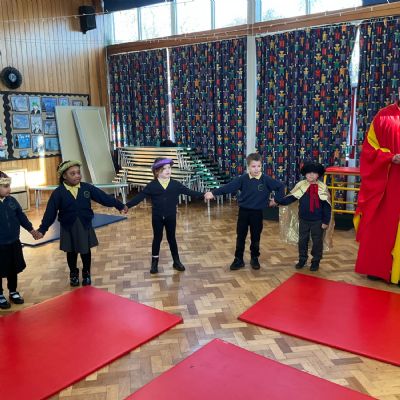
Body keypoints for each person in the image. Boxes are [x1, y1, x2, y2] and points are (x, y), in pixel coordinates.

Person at [36, 160, 127, 287]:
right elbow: (50, 213)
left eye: (78, 172)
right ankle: (73, 273)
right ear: (64, 176)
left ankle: (86, 273)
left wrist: (119, 205)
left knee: (85, 250)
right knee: (71, 252)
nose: (77, 176)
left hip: (84, 224)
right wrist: (42, 229)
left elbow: (103, 198)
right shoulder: (58, 193)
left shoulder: (86, 188)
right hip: (68, 226)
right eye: (72, 173)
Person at [204, 152, 285, 270]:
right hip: (243, 212)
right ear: (248, 167)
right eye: (253, 166)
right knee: (240, 236)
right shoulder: (243, 179)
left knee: (255, 237)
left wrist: (276, 200)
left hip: (257, 213)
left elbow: (280, 187)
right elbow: (229, 187)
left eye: (259, 166)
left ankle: (254, 258)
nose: (256, 169)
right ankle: (238, 259)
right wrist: (213, 193)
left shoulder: (266, 179)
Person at [126, 157, 204, 274]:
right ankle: (154, 263)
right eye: (164, 169)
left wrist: (204, 195)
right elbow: (139, 197)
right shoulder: (152, 186)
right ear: (157, 171)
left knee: (171, 238)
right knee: (157, 238)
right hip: (157, 217)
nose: (168, 170)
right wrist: (127, 206)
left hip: (170, 217)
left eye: (169, 168)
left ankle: (176, 261)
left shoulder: (175, 184)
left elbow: (189, 192)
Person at [354, 99, 400, 283]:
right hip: (387, 183)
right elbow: (369, 149)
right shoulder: (383, 116)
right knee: (380, 223)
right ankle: (377, 268)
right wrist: (389, 157)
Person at [275, 162, 332, 271]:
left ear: (318, 175)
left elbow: (327, 206)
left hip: (318, 221)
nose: (311, 175)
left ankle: (315, 261)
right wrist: (279, 201)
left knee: (317, 242)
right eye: (308, 173)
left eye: (314, 173)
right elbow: (291, 197)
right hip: (304, 219)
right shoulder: (301, 185)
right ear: (305, 174)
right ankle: (302, 259)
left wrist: (326, 221)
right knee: (302, 240)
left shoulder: (323, 187)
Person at [0, 171, 40, 309]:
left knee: (13, 268)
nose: (9, 189)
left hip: (14, 242)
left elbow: (21, 217)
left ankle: (13, 291)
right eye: (5, 186)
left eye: (9, 186)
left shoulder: (12, 201)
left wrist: (32, 230)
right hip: (0, 245)